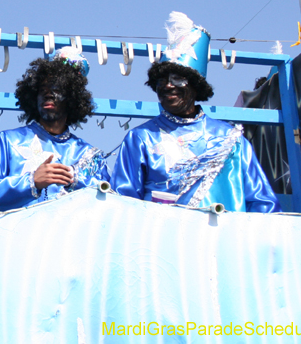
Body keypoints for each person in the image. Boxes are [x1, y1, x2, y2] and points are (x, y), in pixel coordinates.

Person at [111, 12, 281, 213]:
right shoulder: (140, 138)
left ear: (195, 86)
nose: (168, 86)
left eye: (177, 79)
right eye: (161, 81)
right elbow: (122, 204)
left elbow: (262, 204)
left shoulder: (231, 139)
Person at [0, 47, 109, 212]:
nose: (49, 94)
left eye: (57, 90)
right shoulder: (9, 141)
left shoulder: (87, 154)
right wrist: (31, 182)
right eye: (43, 90)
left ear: (72, 98)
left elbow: (109, 205)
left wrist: (76, 180)